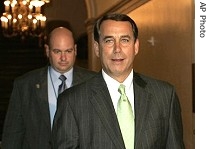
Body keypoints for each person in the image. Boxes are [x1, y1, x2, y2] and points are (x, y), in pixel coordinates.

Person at [51, 13, 185, 149]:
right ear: (97, 48)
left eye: (125, 40)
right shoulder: (72, 102)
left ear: (136, 46)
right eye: (109, 41)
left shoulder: (165, 96)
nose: (117, 49)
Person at [1, 27, 96, 149]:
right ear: (47, 51)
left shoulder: (93, 82)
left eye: (68, 51)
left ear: (75, 50)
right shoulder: (25, 85)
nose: (63, 58)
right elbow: (12, 135)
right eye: (57, 51)